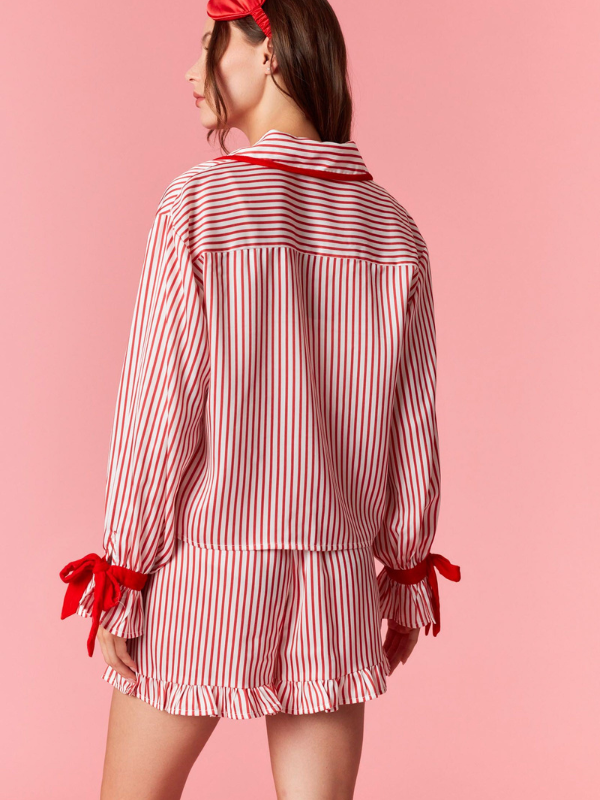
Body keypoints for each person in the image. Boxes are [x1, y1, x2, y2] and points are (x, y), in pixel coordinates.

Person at [58, 1, 461, 797]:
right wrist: (406, 574)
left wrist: (126, 571)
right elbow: (413, 432)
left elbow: (160, 410)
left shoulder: (200, 206)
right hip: (335, 579)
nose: (189, 71)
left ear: (268, 55)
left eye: (207, 44)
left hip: (206, 570)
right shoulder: (397, 231)